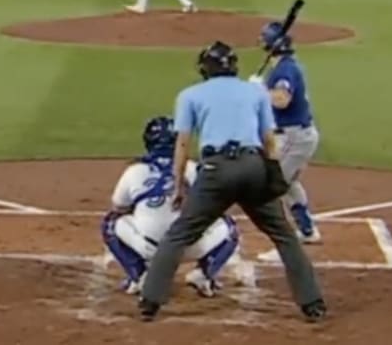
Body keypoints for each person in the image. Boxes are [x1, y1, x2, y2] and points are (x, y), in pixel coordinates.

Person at [137, 41, 326, 323]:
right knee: (284, 235)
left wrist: (178, 186)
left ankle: (150, 301)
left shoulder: (190, 95)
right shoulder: (255, 92)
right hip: (253, 167)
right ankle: (313, 304)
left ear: (204, 69)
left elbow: (183, 144)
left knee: (180, 234)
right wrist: (271, 175)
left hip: (216, 171)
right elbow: (269, 140)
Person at [101, 116, 245, 298]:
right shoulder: (193, 168)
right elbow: (218, 205)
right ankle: (204, 274)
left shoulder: (135, 170)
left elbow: (118, 207)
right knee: (228, 226)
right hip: (190, 248)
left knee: (110, 223)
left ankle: (139, 275)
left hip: (148, 248)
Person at [250, 22, 322, 243]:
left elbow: (281, 101)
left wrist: (260, 90)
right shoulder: (282, 66)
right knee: (287, 183)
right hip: (291, 135)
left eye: (265, 38)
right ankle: (307, 230)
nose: (261, 41)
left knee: (273, 184)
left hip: (294, 137)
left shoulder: (286, 69)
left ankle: (282, 234)